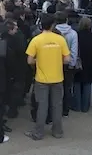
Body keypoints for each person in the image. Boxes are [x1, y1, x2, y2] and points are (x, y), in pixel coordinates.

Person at [25, 13, 71, 141]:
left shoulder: (36, 40)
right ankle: (58, 131)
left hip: (42, 79)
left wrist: (39, 60)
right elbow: (67, 59)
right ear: (53, 25)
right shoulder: (60, 39)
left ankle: (38, 133)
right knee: (57, 105)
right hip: (58, 78)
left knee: (42, 106)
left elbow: (29, 61)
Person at [73, 17, 92, 112]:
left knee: (76, 83)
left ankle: (77, 105)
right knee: (87, 84)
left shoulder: (76, 35)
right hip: (90, 63)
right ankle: (85, 106)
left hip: (78, 62)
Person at [54, 11, 78, 117]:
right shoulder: (73, 33)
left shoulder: (53, 32)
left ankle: (55, 108)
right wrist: (72, 63)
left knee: (55, 88)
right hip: (67, 63)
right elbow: (74, 50)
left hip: (55, 62)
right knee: (67, 87)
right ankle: (65, 109)